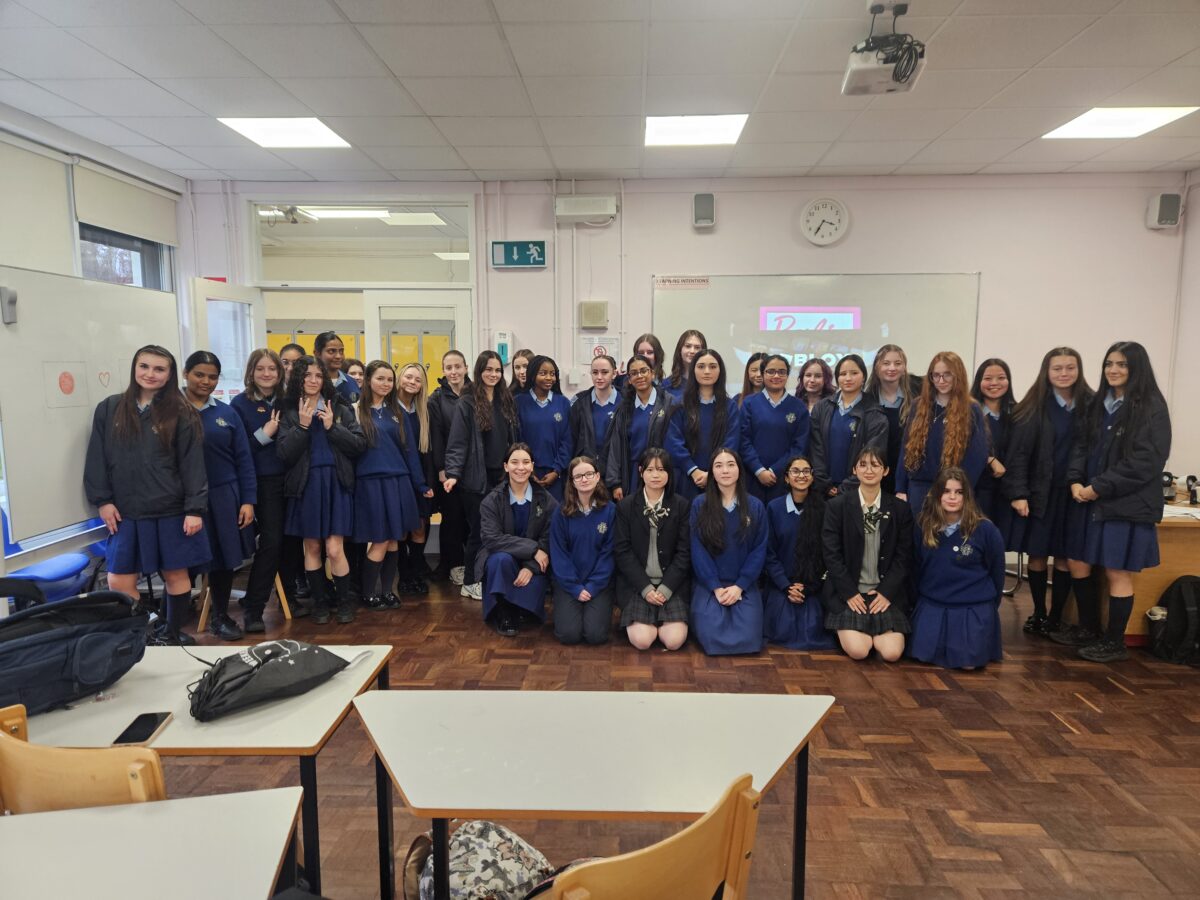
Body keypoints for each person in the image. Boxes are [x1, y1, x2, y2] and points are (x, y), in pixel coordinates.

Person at [84, 345, 209, 645]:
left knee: (176, 575)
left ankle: (171, 634)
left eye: (159, 369)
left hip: (171, 508)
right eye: (144, 366)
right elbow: (97, 458)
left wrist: (194, 509)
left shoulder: (182, 412)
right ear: (134, 368)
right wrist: (103, 501)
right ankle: (140, 638)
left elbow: (193, 464)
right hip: (127, 511)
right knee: (118, 579)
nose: (150, 374)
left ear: (170, 374)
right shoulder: (110, 408)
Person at [1066, 341, 1171, 663]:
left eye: (1122, 364)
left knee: (1117, 571)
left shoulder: (1151, 407)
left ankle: (1114, 642)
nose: (1113, 370)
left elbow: (1145, 461)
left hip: (1125, 503)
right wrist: (1075, 479)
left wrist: (1098, 487)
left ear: (1136, 368)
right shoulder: (1099, 403)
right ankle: (1088, 628)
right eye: (1109, 363)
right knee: (1077, 561)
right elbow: (1081, 445)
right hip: (1089, 499)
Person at [1006, 347, 1094, 636]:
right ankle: (1039, 614)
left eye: (1070, 367)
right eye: (1057, 368)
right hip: (1040, 492)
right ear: (1047, 371)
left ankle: (1057, 616)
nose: (1064, 373)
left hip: (1076, 494)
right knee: (1038, 553)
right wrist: (1019, 493)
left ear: (1079, 370)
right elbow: (1019, 454)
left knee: (1067, 556)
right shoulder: (1034, 405)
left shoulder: (1091, 405)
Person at [276, 355, 366, 625]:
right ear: (298, 379)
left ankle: (344, 601)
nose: (313, 380)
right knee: (312, 547)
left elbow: (358, 445)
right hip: (306, 485)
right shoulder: (289, 410)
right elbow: (284, 454)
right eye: (307, 375)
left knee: (335, 548)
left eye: (318, 375)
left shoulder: (339, 406)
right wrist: (303, 426)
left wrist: (332, 427)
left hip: (336, 482)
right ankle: (320, 603)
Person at [182, 351, 256, 642]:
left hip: (224, 495)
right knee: (182, 561)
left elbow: (244, 460)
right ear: (186, 374)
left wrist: (247, 500)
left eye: (212, 377)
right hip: (184, 499)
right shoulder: (170, 411)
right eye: (199, 374)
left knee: (224, 560)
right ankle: (170, 623)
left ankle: (220, 617)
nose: (206, 381)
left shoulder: (227, 413)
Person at [232, 348, 304, 632]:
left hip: (291, 479)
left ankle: (289, 598)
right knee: (272, 542)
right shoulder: (240, 404)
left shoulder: (289, 402)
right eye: (260, 368)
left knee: (292, 541)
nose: (266, 374)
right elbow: (238, 451)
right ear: (251, 372)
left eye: (272, 369)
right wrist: (265, 434)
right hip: (262, 482)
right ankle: (253, 608)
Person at [821, 446, 913, 662]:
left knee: (891, 653)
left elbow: (904, 556)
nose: (869, 470)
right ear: (854, 469)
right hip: (849, 594)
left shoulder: (900, 509)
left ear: (886, 470)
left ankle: (875, 630)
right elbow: (831, 555)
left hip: (884, 594)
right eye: (862, 464)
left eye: (875, 465)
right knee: (859, 651)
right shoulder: (837, 506)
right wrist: (849, 593)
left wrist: (886, 592)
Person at [353, 361, 432, 611]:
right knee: (380, 540)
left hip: (399, 481)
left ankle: (387, 591)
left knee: (395, 540)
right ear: (368, 380)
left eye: (389, 379)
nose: (385, 384)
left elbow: (410, 453)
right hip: (371, 483)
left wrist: (420, 485)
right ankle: (368, 593)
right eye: (380, 378)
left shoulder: (397, 412)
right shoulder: (355, 411)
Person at [910, 467, 1005, 669]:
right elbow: (916, 569)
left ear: (967, 496)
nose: (952, 497)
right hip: (933, 604)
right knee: (923, 658)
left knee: (967, 665)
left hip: (971, 607)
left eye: (959, 492)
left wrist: (988, 609)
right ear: (937, 494)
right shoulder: (923, 526)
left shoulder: (986, 530)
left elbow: (997, 573)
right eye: (946, 491)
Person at [443, 350, 520, 600]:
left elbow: (513, 438)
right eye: (488, 369)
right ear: (478, 371)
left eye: (497, 370)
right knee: (478, 532)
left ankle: (489, 576)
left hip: (502, 478)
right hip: (476, 480)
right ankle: (470, 581)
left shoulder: (505, 399)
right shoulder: (467, 402)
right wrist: (453, 473)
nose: (493, 374)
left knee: (499, 531)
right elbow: (458, 442)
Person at [689, 448, 768, 656]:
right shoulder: (699, 504)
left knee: (749, 638)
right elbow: (697, 550)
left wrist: (740, 586)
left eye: (731, 465)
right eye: (718, 465)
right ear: (712, 472)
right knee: (711, 636)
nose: (725, 470)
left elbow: (759, 550)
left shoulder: (755, 506)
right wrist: (715, 586)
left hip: (743, 585)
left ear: (740, 470)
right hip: (710, 585)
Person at [614, 447, 691, 651]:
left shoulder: (681, 505)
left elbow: (684, 553)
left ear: (669, 473)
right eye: (650, 470)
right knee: (642, 641)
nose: (655, 475)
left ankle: (663, 619)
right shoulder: (626, 506)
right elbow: (622, 551)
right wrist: (646, 589)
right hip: (638, 585)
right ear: (641, 472)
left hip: (671, 584)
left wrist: (665, 589)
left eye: (661, 469)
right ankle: (649, 619)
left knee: (674, 641)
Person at [896, 351, 989, 517]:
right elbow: (906, 448)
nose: (941, 380)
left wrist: (958, 491)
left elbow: (977, 457)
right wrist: (900, 488)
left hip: (950, 492)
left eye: (947, 375)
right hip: (918, 489)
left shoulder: (971, 410)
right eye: (936, 375)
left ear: (958, 376)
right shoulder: (919, 405)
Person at [477, 442, 556, 637]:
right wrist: (533, 549)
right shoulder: (491, 501)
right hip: (503, 563)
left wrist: (530, 567)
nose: (521, 467)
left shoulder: (547, 500)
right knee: (500, 559)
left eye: (526, 462)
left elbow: (550, 537)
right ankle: (504, 610)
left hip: (533, 564)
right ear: (506, 466)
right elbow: (492, 539)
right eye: (514, 462)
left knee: (530, 613)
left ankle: (522, 607)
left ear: (532, 466)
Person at [763, 455, 835, 650]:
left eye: (806, 471)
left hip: (813, 586)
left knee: (813, 630)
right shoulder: (774, 508)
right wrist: (786, 586)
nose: (801, 475)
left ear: (812, 477)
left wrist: (810, 586)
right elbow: (768, 553)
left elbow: (829, 553)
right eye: (795, 471)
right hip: (782, 584)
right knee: (781, 628)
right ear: (787, 478)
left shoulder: (825, 509)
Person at [551, 455, 617, 645]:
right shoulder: (561, 513)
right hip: (568, 582)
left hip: (599, 583)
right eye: (578, 476)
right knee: (569, 635)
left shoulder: (611, 511)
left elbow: (609, 554)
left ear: (597, 476)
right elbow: (559, 554)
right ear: (571, 481)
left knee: (595, 635)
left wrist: (593, 586)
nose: (584, 479)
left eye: (589, 474)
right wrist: (575, 588)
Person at [665, 349, 741, 501]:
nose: (707, 371)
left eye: (712, 366)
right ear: (693, 370)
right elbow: (673, 442)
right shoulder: (679, 405)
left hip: (721, 479)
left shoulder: (730, 406)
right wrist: (693, 470)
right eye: (701, 366)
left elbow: (732, 441)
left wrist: (713, 473)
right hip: (686, 478)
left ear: (720, 371)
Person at [809, 354, 888, 495]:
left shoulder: (875, 413)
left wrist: (846, 488)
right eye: (843, 374)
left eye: (854, 373)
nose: (848, 378)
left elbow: (873, 455)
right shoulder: (821, 408)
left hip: (859, 490)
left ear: (863, 377)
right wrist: (824, 483)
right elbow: (815, 448)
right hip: (822, 489)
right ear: (837, 378)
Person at [604, 354, 678, 501]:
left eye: (644, 371)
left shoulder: (669, 403)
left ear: (652, 373)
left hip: (661, 472)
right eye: (634, 373)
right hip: (632, 474)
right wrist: (615, 482)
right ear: (629, 379)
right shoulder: (624, 408)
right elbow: (616, 446)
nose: (639, 376)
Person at [740, 354, 810, 503]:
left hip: (785, 479)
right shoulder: (749, 403)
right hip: (752, 477)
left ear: (787, 375)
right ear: (763, 374)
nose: (776, 376)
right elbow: (743, 440)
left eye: (781, 372)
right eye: (771, 371)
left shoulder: (798, 407)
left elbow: (799, 446)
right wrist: (759, 470)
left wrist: (775, 470)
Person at [429, 349, 470, 585]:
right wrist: (442, 469)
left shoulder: (475, 393)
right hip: (449, 470)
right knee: (452, 519)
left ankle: (472, 565)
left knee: (472, 520)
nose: (453, 372)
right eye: (449, 368)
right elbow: (436, 437)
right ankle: (454, 565)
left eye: (457, 366)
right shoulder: (436, 399)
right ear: (443, 371)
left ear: (466, 368)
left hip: (473, 469)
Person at [273, 342, 310, 605]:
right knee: (286, 539)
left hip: (304, 476)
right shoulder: (278, 399)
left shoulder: (315, 396)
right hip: (278, 476)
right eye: (284, 362)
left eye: (296, 363)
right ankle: (289, 590)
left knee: (306, 537)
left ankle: (306, 581)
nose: (289, 367)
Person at [397, 362, 437, 595]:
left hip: (422, 476)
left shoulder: (423, 411)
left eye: (418, 379)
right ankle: (404, 575)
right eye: (408, 377)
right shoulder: (391, 409)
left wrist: (427, 482)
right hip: (401, 477)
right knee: (402, 529)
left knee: (420, 527)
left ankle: (417, 573)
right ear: (400, 378)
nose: (412, 382)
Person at [970, 358, 1016, 541]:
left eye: (1001, 378)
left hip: (1006, 489)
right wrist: (988, 458)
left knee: (999, 540)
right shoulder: (968, 411)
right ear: (979, 381)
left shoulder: (1018, 413)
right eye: (988, 378)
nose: (994, 383)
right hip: (976, 487)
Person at [515, 355, 572, 501]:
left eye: (552, 374)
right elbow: (516, 439)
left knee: (555, 512)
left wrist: (557, 471)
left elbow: (568, 441)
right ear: (532, 375)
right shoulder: (519, 403)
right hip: (525, 473)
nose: (549, 378)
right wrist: (528, 470)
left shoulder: (563, 403)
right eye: (543, 373)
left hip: (556, 475)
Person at [865, 344, 922, 493]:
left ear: (904, 368)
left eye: (898, 363)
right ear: (876, 367)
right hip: (877, 473)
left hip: (910, 472)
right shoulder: (867, 400)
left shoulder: (919, 395)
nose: (892, 368)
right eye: (886, 363)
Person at [569, 354, 618, 462]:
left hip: (615, 466)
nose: (599, 377)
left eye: (604, 372)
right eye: (595, 372)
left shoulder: (624, 402)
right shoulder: (579, 401)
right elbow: (571, 438)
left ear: (614, 374)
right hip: (586, 466)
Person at [314, 331, 359, 404]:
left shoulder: (351, 382)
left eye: (341, 351)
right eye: (331, 351)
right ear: (317, 354)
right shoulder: (311, 383)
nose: (338, 356)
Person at [663, 329, 706, 399]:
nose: (692, 351)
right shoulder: (666, 385)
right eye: (688, 346)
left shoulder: (709, 382)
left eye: (697, 347)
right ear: (680, 349)